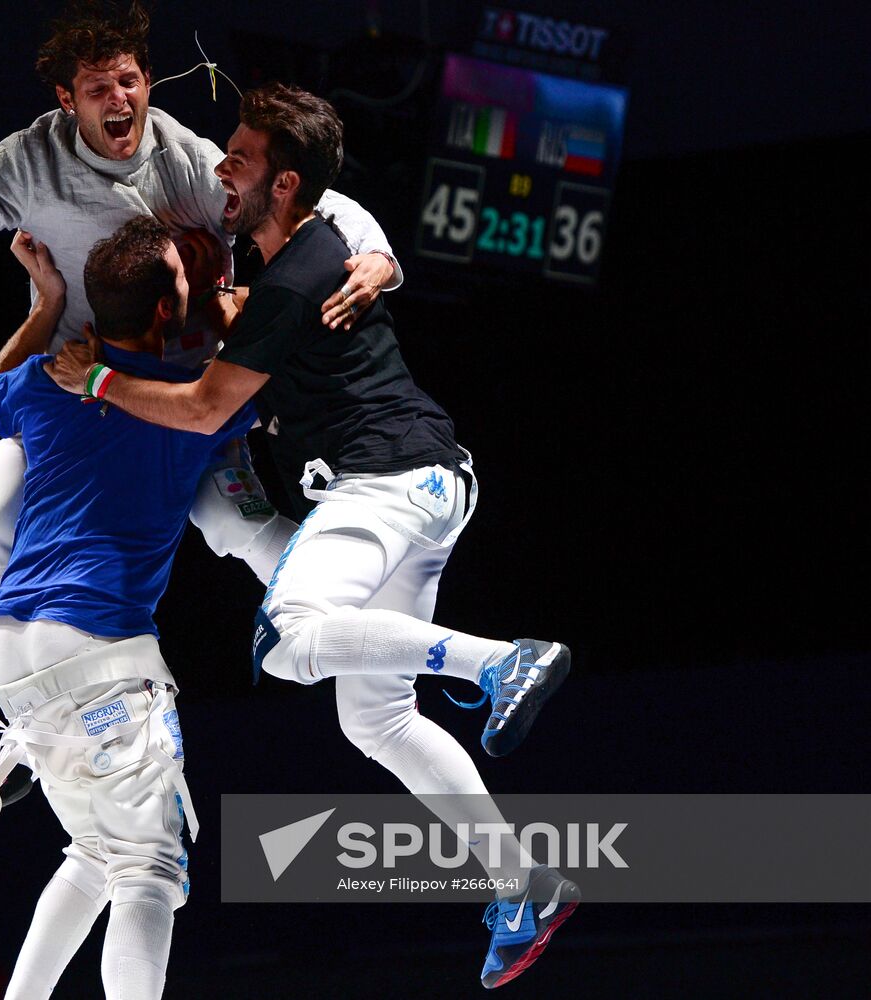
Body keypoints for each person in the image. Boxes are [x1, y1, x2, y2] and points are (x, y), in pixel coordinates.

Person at [50, 83, 579, 990]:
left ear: (285, 185)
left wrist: (95, 379)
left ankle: (498, 662)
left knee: (293, 632)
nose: (223, 168)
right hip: (426, 484)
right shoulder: (304, 239)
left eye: (242, 161)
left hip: (383, 486)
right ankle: (521, 883)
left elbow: (212, 399)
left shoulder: (295, 277)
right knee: (374, 716)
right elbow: (308, 242)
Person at [0, 0, 402, 622]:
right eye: (98, 88)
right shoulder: (30, 161)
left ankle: (376, 626)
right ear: (68, 100)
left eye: (129, 81)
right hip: (80, 389)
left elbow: (299, 186)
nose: (118, 99)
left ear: (147, 83)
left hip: (185, 394)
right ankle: (17, 693)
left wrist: (377, 254)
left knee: (237, 525)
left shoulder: (186, 158)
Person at [0, 216, 256, 999]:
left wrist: (42, 303)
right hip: (95, 649)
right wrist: (232, 319)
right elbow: (258, 387)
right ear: (168, 310)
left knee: (95, 850)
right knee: (149, 867)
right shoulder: (194, 402)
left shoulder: (45, 382)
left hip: (14, 651)